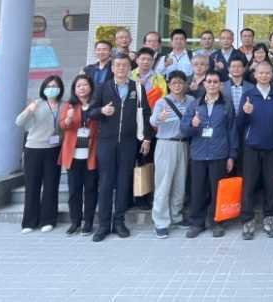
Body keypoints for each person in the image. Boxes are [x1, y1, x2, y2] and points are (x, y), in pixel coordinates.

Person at [89, 54, 152, 242]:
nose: (121, 68)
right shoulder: (103, 88)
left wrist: (147, 138)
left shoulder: (137, 88)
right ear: (113, 68)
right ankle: (103, 224)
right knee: (106, 182)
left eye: (125, 65)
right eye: (118, 65)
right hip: (106, 142)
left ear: (129, 68)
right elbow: (90, 111)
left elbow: (146, 114)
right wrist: (102, 111)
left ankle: (119, 222)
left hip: (128, 142)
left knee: (124, 182)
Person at [180, 70, 237, 239]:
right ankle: (197, 223)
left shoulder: (226, 104)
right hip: (198, 154)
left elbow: (232, 131)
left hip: (219, 154)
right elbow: (184, 130)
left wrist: (231, 155)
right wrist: (193, 124)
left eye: (215, 82)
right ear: (204, 84)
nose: (212, 85)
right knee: (197, 190)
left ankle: (216, 222)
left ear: (220, 85)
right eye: (209, 82)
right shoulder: (194, 105)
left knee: (216, 190)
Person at [236, 61, 273, 240]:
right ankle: (248, 220)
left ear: (272, 75)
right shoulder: (248, 95)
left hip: (272, 148)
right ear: (255, 75)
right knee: (248, 185)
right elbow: (239, 124)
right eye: (261, 73)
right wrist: (244, 112)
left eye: (267, 73)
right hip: (251, 147)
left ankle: (269, 218)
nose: (264, 75)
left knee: (270, 185)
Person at [15, 75, 65, 234]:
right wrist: (28, 111)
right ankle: (29, 221)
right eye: (49, 85)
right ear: (44, 88)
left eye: (55, 86)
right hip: (33, 149)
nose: (52, 88)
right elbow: (19, 122)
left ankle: (48, 220)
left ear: (60, 89)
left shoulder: (64, 106)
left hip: (53, 149)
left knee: (51, 185)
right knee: (32, 186)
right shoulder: (36, 104)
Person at [150, 70, 192, 238]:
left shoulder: (191, 101)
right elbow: (152, 121)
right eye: (174, 83)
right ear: (169, 84)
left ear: (185, 85)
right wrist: (159, 118)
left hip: (183, 145)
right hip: (165, 144)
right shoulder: (162, 102)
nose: (177, 86)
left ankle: (176, 216)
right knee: (163, 183)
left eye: (180, 83)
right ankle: (160, 221)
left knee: (180, 183)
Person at [59, 74, 98, 236]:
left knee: (90, 189)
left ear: (90, 87)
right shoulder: (69, 105)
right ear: (75, 90)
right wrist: (67, 119)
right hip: (73, 155)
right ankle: (75, 221)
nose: (82, 88)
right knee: (74, 190)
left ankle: (88, 222)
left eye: (84, 85)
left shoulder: (97, 105)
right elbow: (62, 126)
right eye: (78, 86)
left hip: (91, 154)